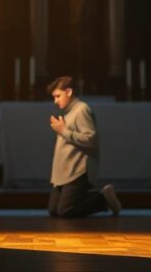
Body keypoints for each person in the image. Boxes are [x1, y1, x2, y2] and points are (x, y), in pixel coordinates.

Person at [46, 76, 121, 218]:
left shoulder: (82, 109)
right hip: (65, 172)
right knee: (53, 210)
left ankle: (103, 199)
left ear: (69, 92)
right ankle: (92, 197)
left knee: (65, 211)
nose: (55, 101)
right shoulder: (68, 111)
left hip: (77, 170)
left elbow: (91, 140)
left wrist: (63, 131)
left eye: (58, 96)